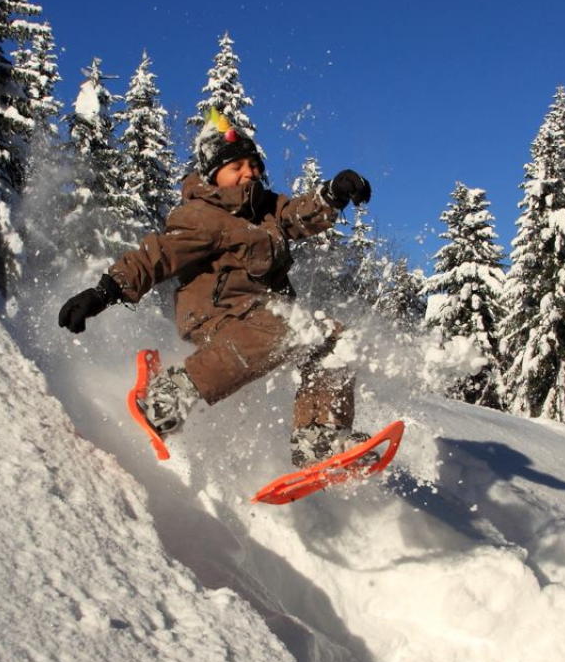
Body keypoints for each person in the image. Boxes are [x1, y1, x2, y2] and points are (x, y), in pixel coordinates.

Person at [57, 110, 373, 467]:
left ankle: (320, 437)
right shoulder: (200, 215)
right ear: (213, 174)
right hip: (215, 316)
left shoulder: (267, 209)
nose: (248, 172)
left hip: (262, 317)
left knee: (334, 338)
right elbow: (156, 256)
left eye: (252, 164)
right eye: (236, 166)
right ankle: (169, 394)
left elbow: (299, 215)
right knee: (286, 327)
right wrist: (105, 290)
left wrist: (332, 195)